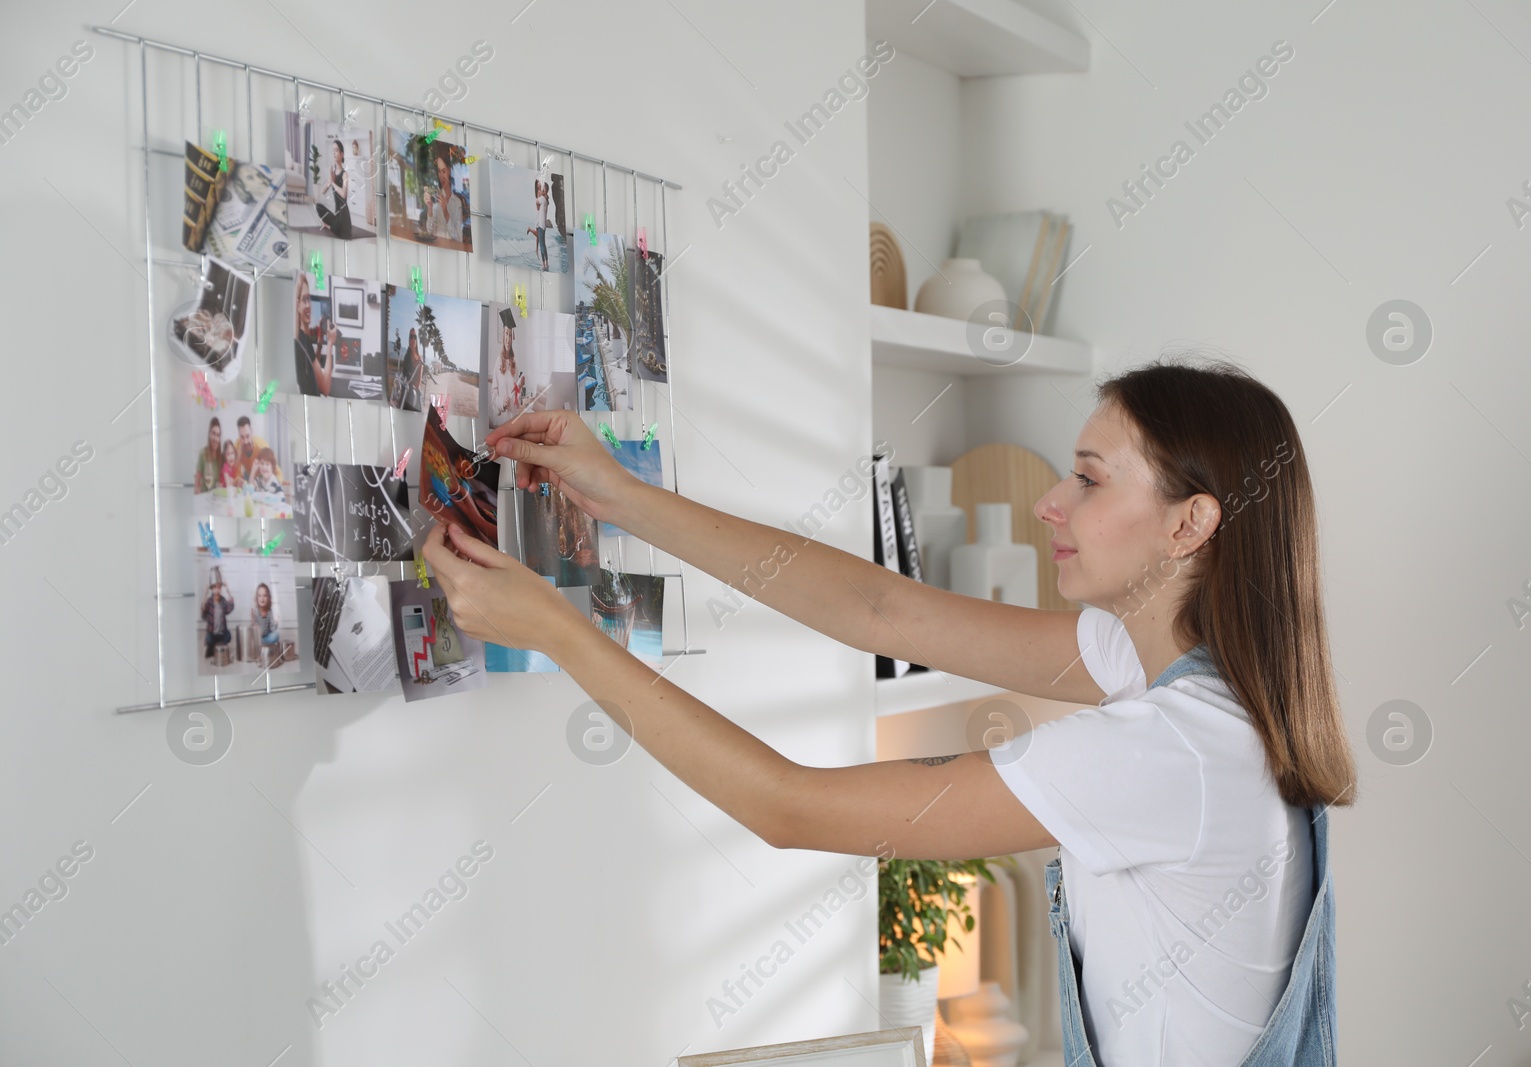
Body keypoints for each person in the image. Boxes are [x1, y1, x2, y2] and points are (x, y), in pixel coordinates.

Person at [423, 355, 1357, 1067]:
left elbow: (788, 805)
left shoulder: (1164, 751)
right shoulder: (1187, 685)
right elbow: (883, 610)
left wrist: (558, 631)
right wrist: (620, 493)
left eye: (1089, 478)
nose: (1048, 503)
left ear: (1190, 525)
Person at [293, 271, 337, 396]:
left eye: (309, 299)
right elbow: (325, 388)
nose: (308, 305)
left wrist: (320, 338)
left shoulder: (301, 338)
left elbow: (312, 367)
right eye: (304, 300)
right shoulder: (302, 341)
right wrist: (330, 343)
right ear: (297, 305)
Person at [489, 308, 524, 423]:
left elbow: (516, 396)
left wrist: (520, 386)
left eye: (510, 335)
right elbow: (493, 396)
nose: (508, 339)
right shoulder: (498, 361)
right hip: (502, 420)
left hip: (513, 419)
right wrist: (501, 402)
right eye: (506, 334)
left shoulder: (514, 363)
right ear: (503, 336)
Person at [315, 137, 353, 239]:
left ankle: (329, 226)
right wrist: (330, 181)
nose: (334, 153)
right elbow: (323, 191)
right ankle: (332, 226)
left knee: (342, 232)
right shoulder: (333, 174)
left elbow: (344, 194)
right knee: (318, 206)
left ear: (342, 154)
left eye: (336, 150)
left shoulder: (345, 174)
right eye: (333, 151)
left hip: (343, 215)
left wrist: (333, 182)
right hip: (336, 214)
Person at [201, 566, 234, 661]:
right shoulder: (209, 602)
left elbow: (230, 608)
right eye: (214, 587)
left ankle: (217, 645)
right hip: (212, 633)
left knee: (229, 636)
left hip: (221, 633)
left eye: (219, 587)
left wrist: (228, 591)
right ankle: (212, 646)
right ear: (212, 588)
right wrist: (205, 592)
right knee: (208, 638)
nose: (217, 590)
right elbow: (203, 613)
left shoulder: (223, 601)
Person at [252, 581, 281, 663]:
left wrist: (276, 622)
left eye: (264, 596)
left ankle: (264, 645)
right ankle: (263, 645)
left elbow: (272, 628)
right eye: (259, 596)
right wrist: (253, 621)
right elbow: (254, 628)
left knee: (276, 635)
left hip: (266, 637)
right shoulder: (256, 611)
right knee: (254, 639)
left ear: (268, 598)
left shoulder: (269, 611)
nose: (262, 598)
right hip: (258, 637)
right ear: (257, 598)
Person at [195, 416, 223, 494]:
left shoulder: (220, 457)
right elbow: (196, 484)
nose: (216, 438)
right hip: (204, 495)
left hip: (216, 497)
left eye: (218, 435)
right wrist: (197, 490)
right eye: (213, 434)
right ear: (209, 434)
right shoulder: (203, 453)